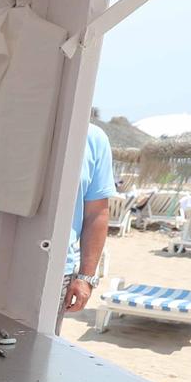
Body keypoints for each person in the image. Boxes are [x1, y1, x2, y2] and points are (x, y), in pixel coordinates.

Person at [63, 121, 114, 313]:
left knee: (39, 341)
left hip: (57, 268)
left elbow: (97, 213)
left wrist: (86, 277)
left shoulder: (93, 138)